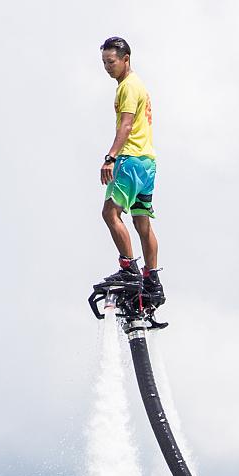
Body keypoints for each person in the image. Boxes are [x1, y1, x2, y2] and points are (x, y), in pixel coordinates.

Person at [96, 37, 162, 309]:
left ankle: (129, 270)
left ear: (126, 58)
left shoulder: (128, 87)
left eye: (111, 62)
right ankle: (152, 280)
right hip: (147, 163)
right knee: (141, 222)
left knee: (110, 213)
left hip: (131, 161)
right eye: (104, 63)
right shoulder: (139, 85)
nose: (107, 67)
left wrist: (110, 157)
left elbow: (125, 125)